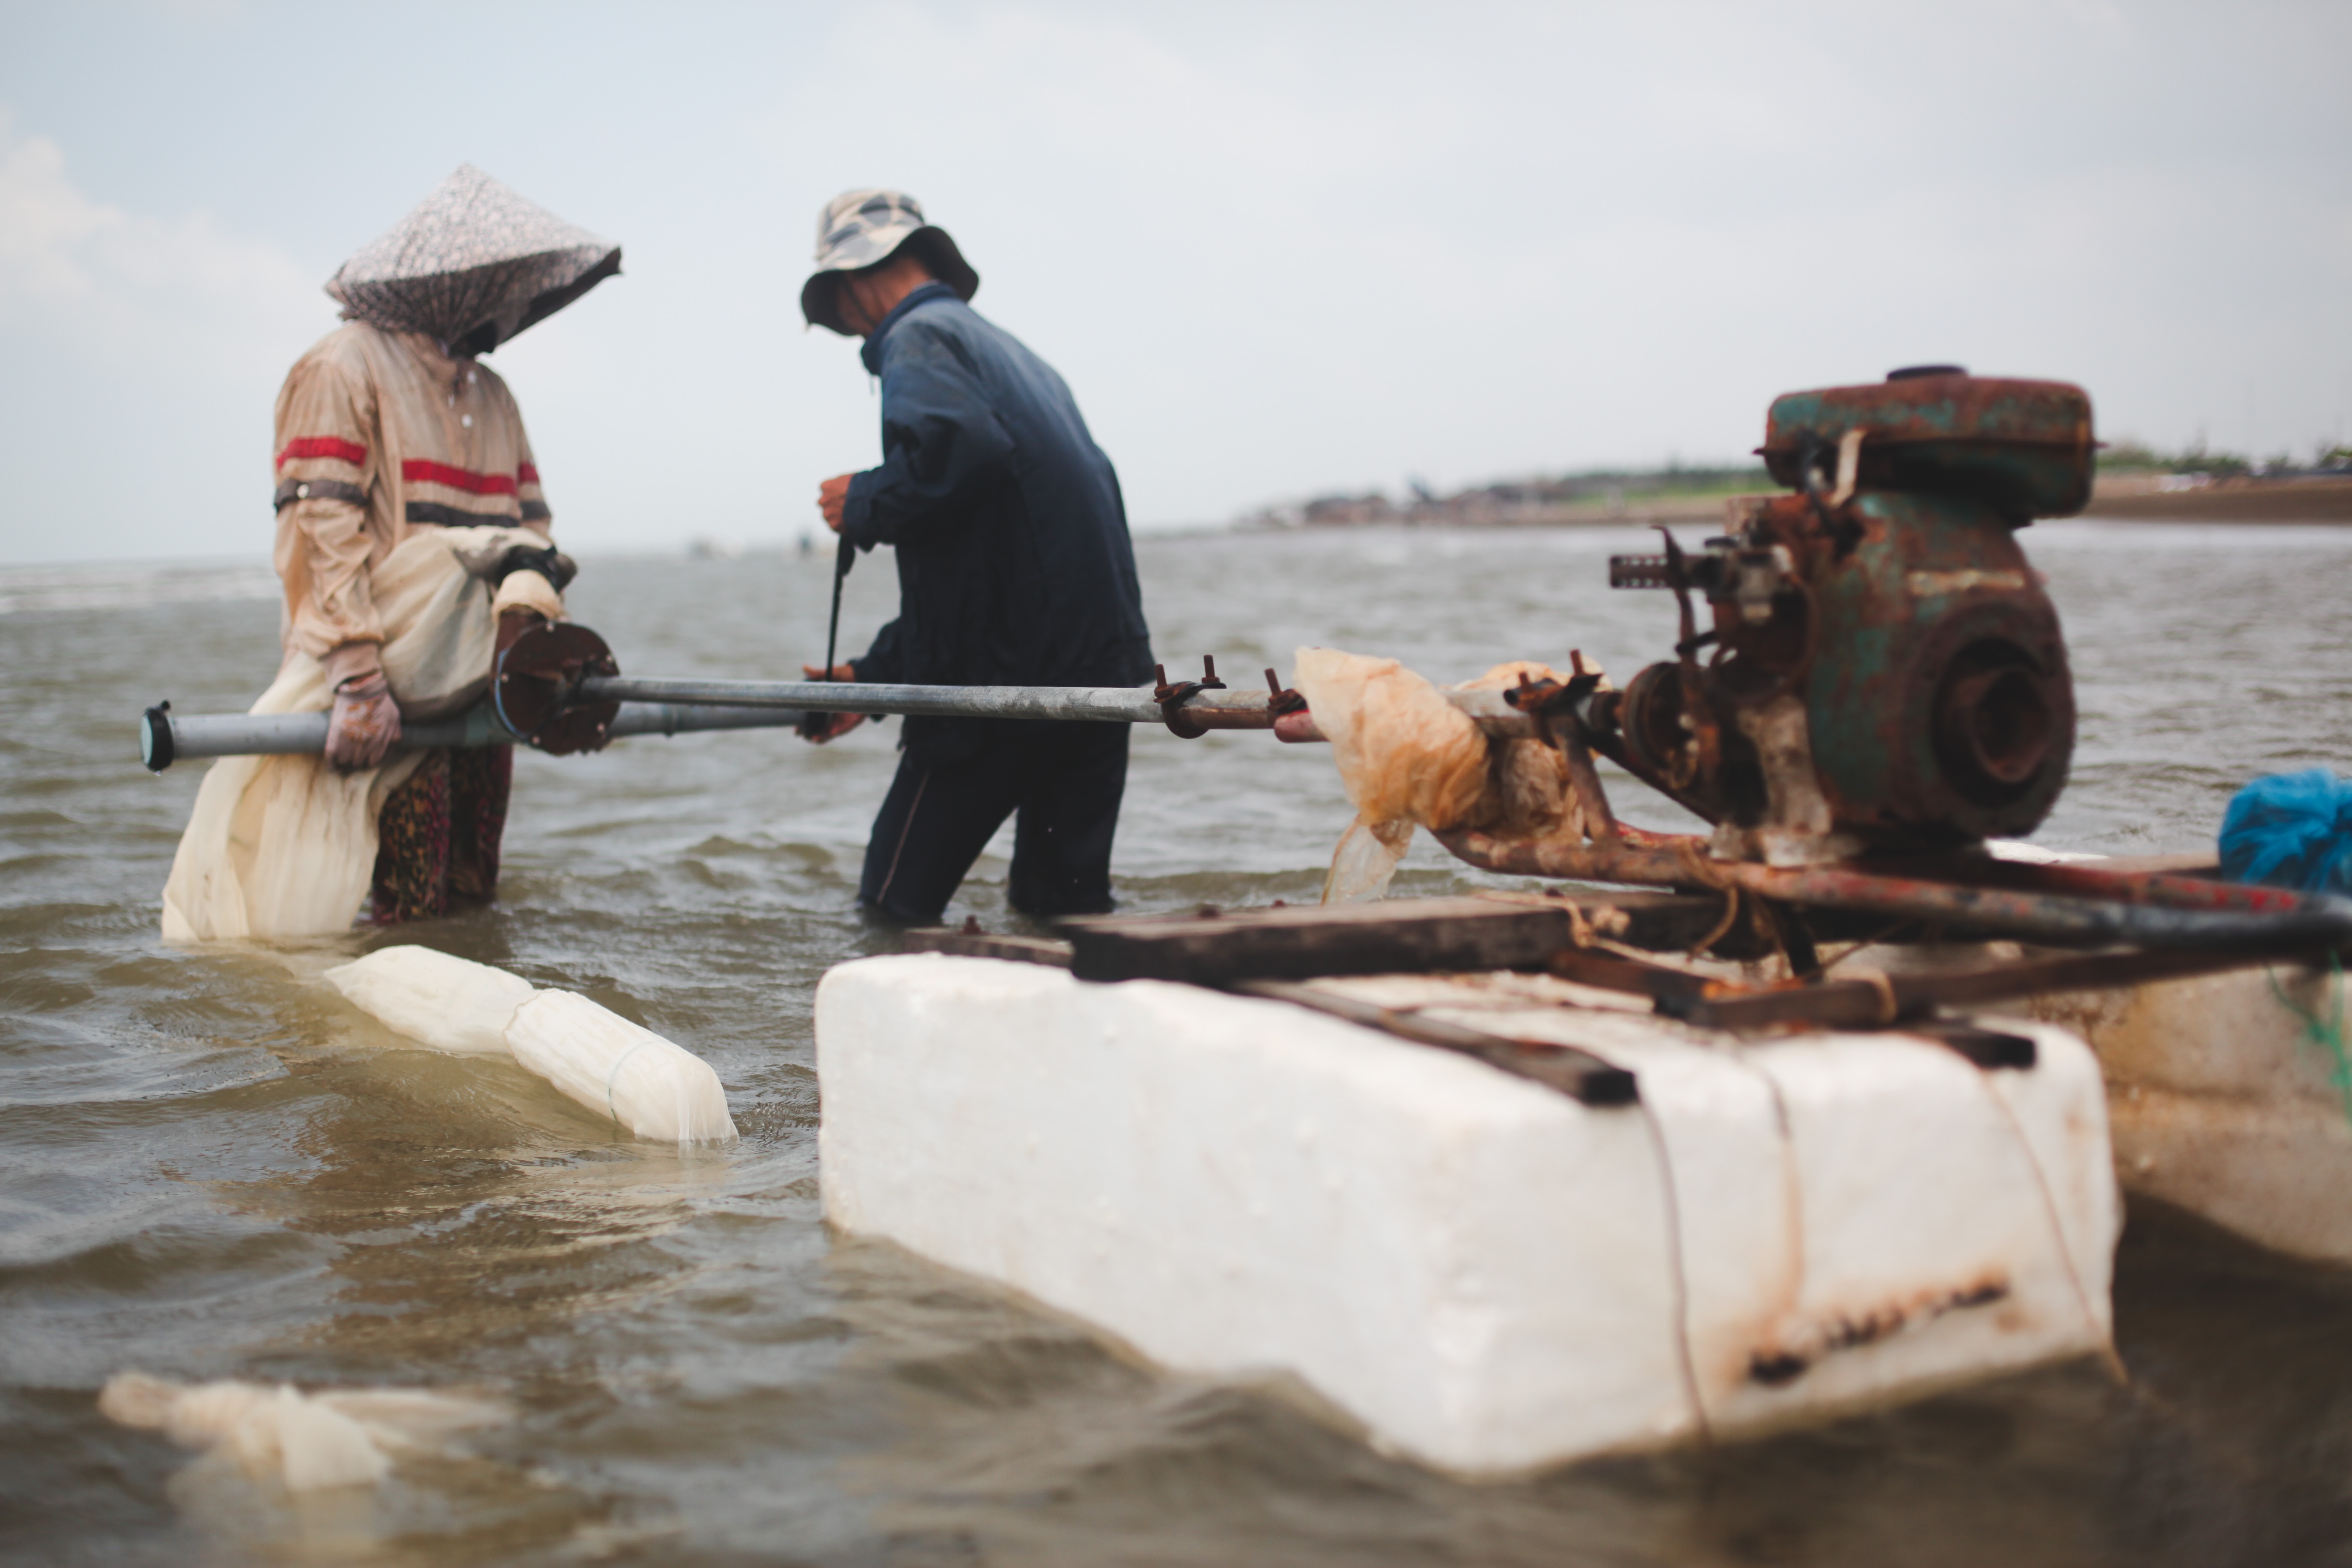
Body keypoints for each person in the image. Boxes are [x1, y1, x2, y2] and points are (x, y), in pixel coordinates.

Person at [160, 166, 617, 941]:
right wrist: (358, 679)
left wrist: (545, 665)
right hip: (388, 686)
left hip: (478, 679)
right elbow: (321, 529)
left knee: (474, 891)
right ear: (451, 284)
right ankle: (377, 1057)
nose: (511, 303)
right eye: (499, 284)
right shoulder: (343, 365)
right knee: (409, 904)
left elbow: (533, 532)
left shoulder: (493, 393)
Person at [799, 190, 1153, 924]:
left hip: (1001, 698)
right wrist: (869, 677)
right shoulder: (1019, 359)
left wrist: (862, 500)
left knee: (890, 911)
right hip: (1100, 687)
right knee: (1064, 915)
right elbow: (995, 559)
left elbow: (964, 453)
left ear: (855, 278)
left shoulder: (917, 338)